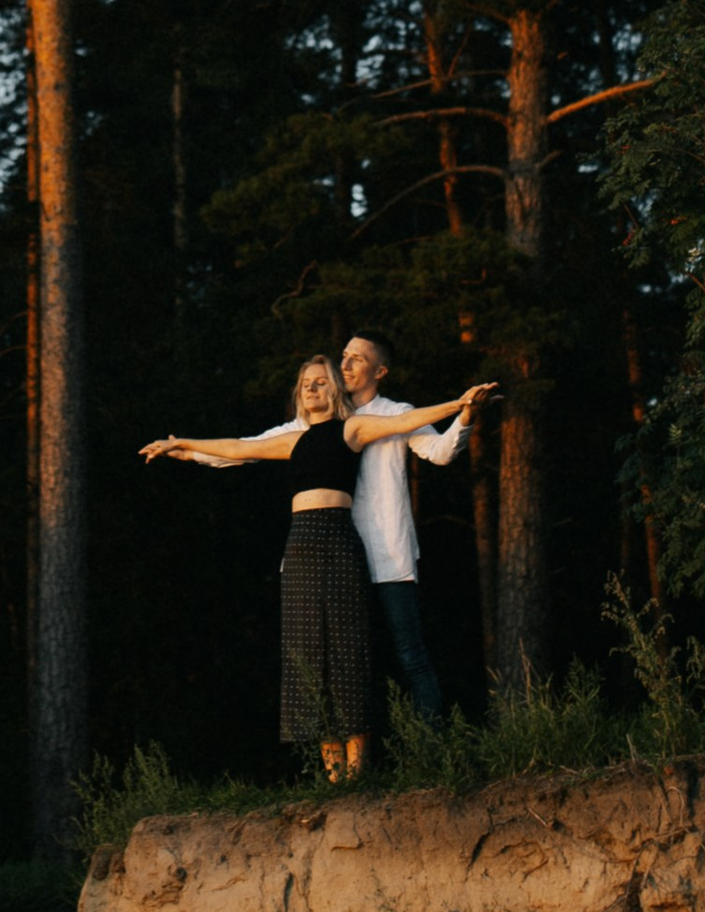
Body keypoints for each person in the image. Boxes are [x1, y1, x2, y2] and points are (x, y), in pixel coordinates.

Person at [142, 357, 495, 783]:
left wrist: (458, 405)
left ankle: (358, 775)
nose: (311, 388)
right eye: (306, 383)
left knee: (347, 648)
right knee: (309, 651)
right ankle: (333, 780)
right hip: (300, 545)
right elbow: (239, 447)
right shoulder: (293, 439)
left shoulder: (352, 429)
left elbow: (406, 421)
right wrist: (181, 446)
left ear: (335, 392)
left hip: (339, 539)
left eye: (321, 382)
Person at [336, 332, 461, 728]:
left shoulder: (398, 412)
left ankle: (431, 752)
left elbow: (440, 452)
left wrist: (467, 416)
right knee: (353, 664)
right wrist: (192, 449)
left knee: (411, 656)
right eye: (344, 356)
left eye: (357, 358)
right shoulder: (328, 417)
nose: (345, 365)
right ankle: (363, 759)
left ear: (380, 371)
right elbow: (261, 443)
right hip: (343, 557)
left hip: (390, 555)